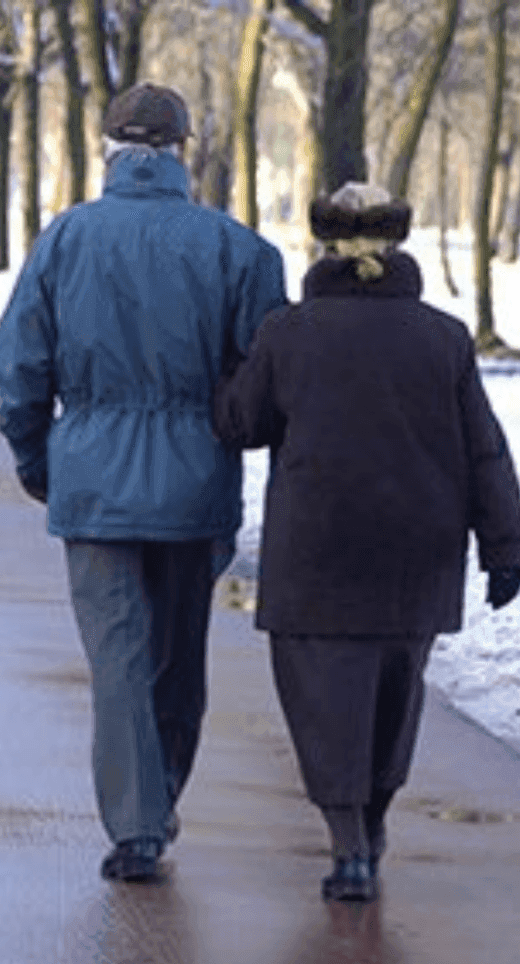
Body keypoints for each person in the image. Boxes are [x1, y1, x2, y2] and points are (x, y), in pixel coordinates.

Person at [0, 82, 288, 883]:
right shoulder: (240, 250)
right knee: (177, 657)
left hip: (91, 478)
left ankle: (136, 824)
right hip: (194, 485)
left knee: (116, 659)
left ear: (111, 150)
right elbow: (266, 380)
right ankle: (157, 800)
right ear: (183, 151)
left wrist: (35, 457)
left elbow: (20, 365)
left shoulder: (65, 240)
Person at [213, 182, 520, 903]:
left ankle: (348, 840)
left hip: (316, 552)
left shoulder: (289, 333)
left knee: (324, 702)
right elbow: (485, 451)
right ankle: (373, 823)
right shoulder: (442, 337)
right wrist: (506, 547)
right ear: (398, 242)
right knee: (394, 695)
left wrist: (225, 368)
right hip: (418, 553)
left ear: (324, 246)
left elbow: (240, 423)